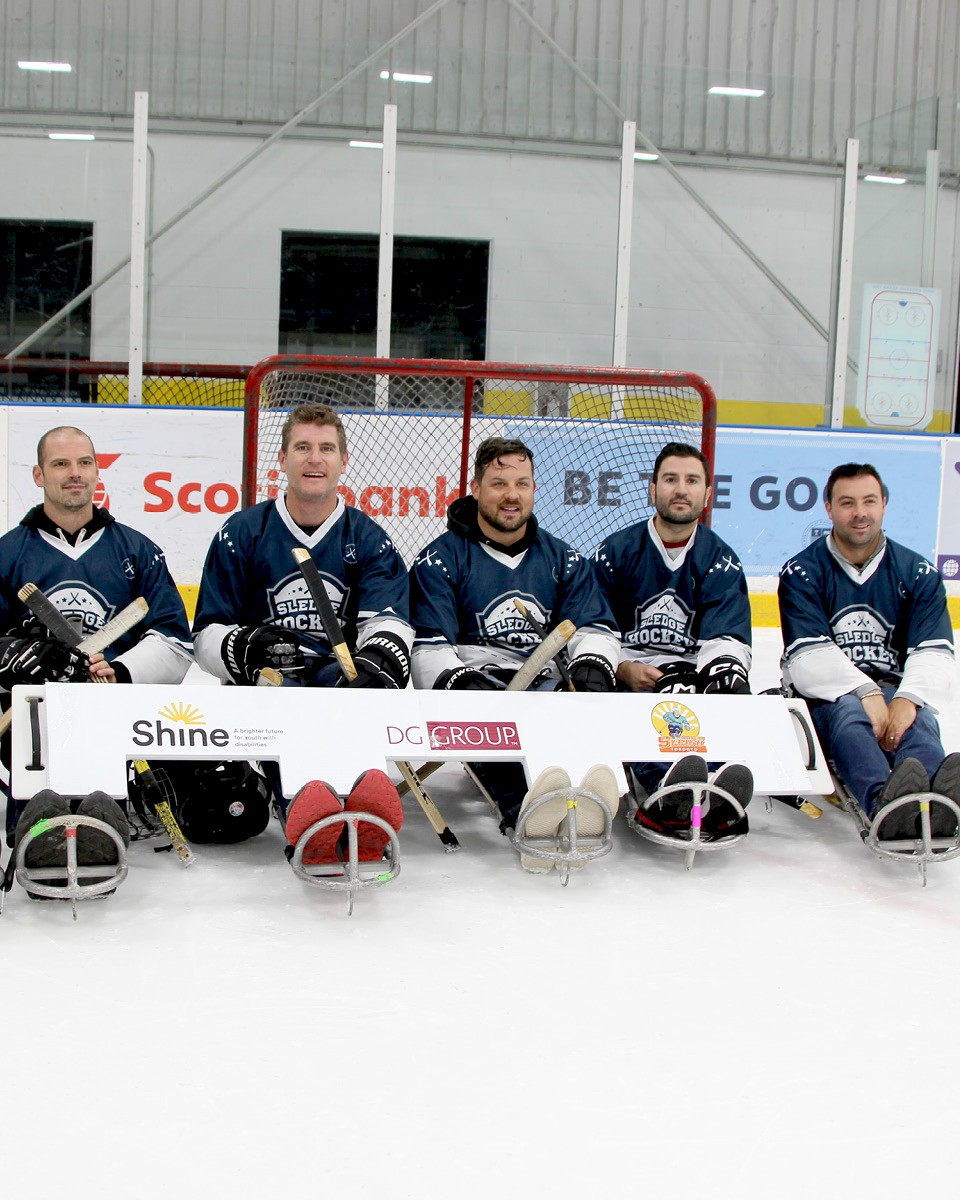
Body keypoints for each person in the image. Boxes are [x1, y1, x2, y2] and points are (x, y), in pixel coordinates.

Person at [192, 402, 410, 863]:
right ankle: (307, 814)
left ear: (343, 461)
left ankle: (357, 805)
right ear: (283, 458)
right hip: (268, 681)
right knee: (284, 704)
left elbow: (388, 619)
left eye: (326, 448)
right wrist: (243, 647)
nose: (315, 458)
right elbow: (208, 630)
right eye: (303, 447)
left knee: (352, 694)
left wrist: (380, 657)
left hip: (337, 679)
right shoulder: (243, 533)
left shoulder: (368, 538)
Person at [408, 435, 621, 861]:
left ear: (534, 489)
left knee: (581, 710)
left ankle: (581, 798)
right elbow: (429, 646)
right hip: (482, 687)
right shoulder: (441, 558)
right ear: (476, 488)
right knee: (496, 724)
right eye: (499, 484)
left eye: (522, 484)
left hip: (543, 685)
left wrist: (593, 664)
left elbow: (594, 627)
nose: (511, 495)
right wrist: (460, 684)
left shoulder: (565, 560)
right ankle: (526, 813)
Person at [0, 424, 194, 872]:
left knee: (103, 752)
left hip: (112, 708)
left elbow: (176, 641)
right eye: (61, 464)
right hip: (32, 714)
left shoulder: (138, 551)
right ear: (38, 474)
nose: (75, 474)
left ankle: (100, 819)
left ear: (96, 471)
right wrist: (14, 653)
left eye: (84, 463)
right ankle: (38, 819)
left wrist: (121, 670)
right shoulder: (8, 554)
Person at [779, 462, 959, 840]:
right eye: (847, 503)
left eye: (869, 501)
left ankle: (934, 800)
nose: (860, 513)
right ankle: (884, 805)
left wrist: (907, 699)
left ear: (884, 505)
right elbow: (809, 659)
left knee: (920, 723)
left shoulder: (917, 572)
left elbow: (935, 651)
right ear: (829, 508)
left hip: (894, 689)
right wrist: (867, 691)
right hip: (831, 696)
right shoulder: (802, 572)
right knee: (850, 718)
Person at [594, 441, 754, 838]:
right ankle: (666, 790)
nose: (680, 489)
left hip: (688, 677)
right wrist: (621, 668)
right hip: (631, 677)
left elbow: (726, 638)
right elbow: (592, 631)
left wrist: (711, 675)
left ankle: (712, 786)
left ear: (707, 494)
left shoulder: (721, 559)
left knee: (704, 702)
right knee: (642, 710)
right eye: (670, 479)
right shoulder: (616, 552)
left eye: (691, 480)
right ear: (652, 489)